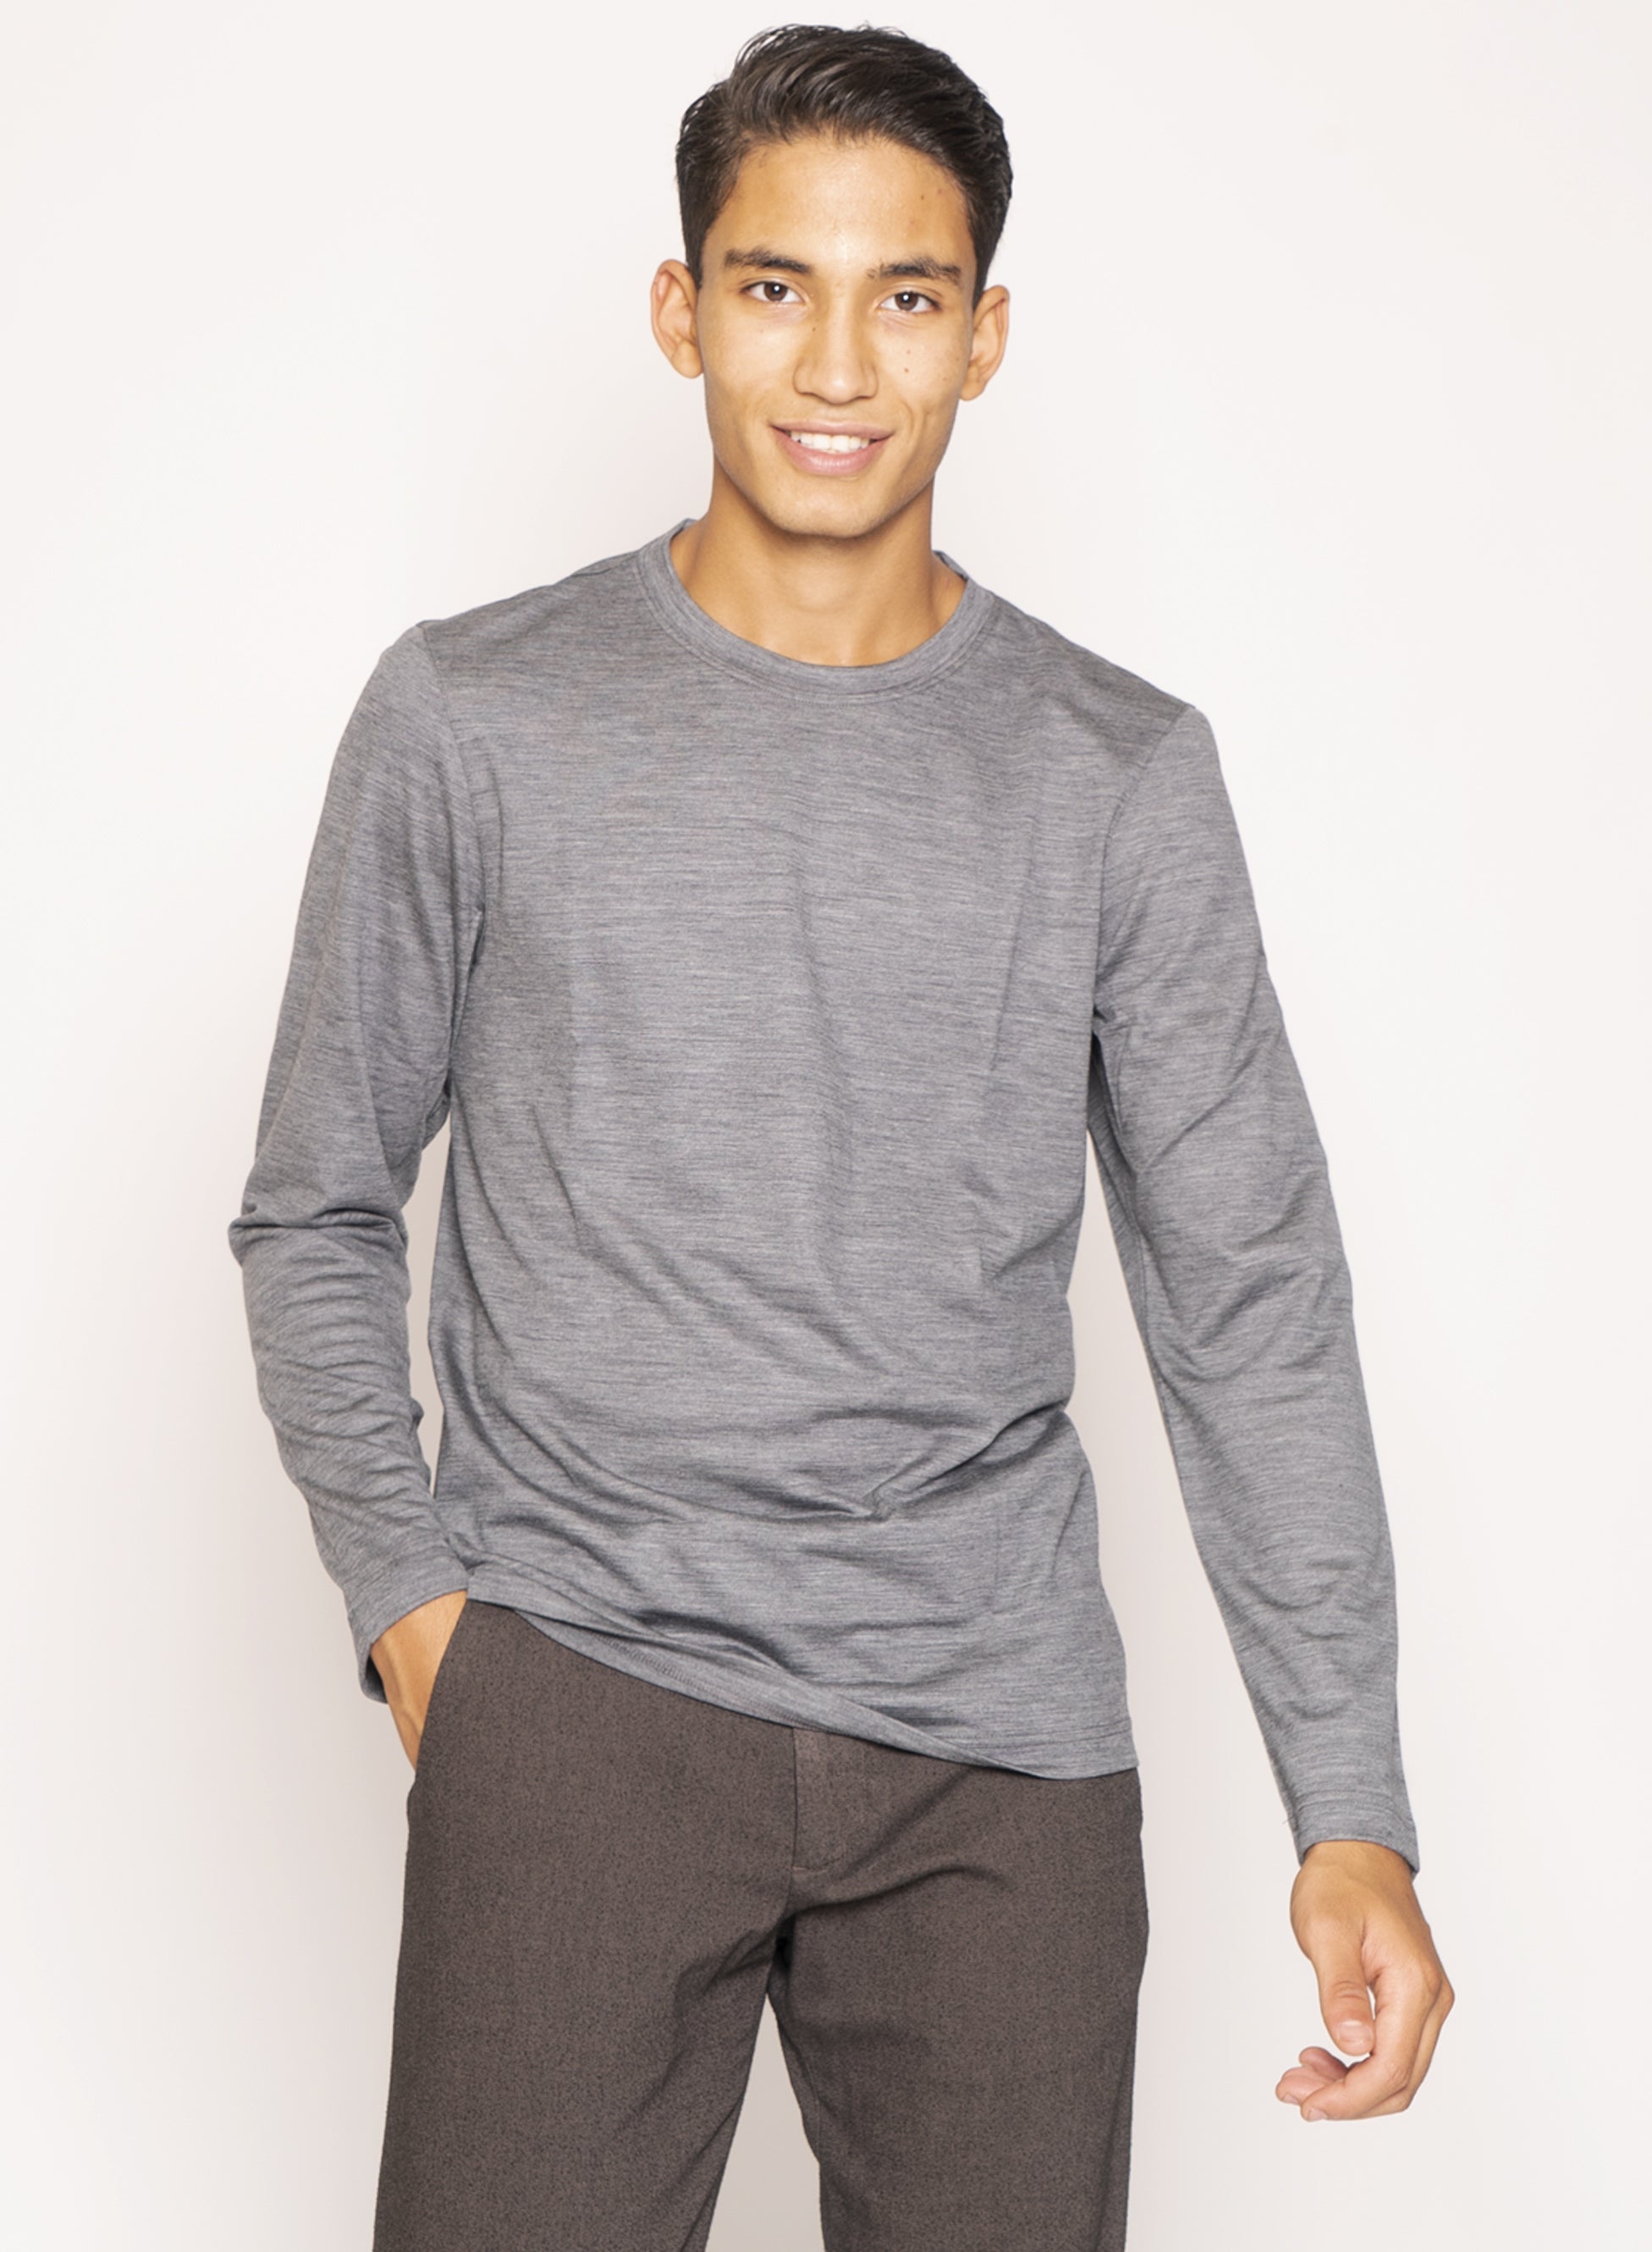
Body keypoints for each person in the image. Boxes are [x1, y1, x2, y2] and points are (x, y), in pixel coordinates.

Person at [228, 22, 1453, 2250]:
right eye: (775, 284)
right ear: (681, 308)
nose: (835, 361)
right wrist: (418, 1615)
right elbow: (315, 1201)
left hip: (997, 1762)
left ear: (985, 335)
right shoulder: (473, 717)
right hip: (576, 1695)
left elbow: (1250, 1301)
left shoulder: (1116, 774)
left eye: (905, 295)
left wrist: (1348, 1808)